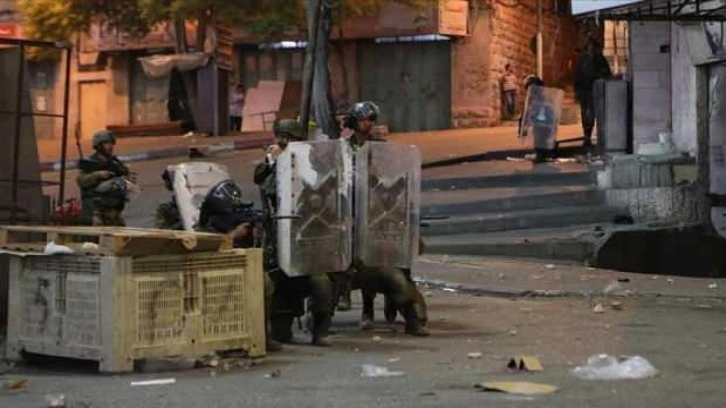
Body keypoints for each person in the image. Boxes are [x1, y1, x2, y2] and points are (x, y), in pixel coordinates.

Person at [339, 101, 429, 336]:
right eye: (362, 119)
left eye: (370, 119)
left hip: (377, 209)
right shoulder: (343, 149)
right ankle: (357, 306)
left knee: (386, 262)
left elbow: (393, 177)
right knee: (351, 263)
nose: (366, 124)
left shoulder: (380, 148)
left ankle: (407, 311)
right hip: (350, 211)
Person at [254, 118, 335, 347]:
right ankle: (271, 331)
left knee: (321, 283)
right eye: (283, 137)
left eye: (292, 139)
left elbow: (324, 192)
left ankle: (320, 330)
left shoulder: (310, 165)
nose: (287, 143)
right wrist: (275, 161)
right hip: (278, 242)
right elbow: (267, 188)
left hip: (305, 238)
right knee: (274, 291)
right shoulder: (268, 165)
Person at [76, 130, 133, 226]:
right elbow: (81, 180)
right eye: (106, 143)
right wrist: (97, 175)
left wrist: (127, 179)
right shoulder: (90, 163)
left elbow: (124, 174)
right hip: (96, 214)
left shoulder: (114, 162)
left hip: (114, 213)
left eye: (111, 143)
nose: (110, 146)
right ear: (98, 146)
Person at [574, 39, 612, 147]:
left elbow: (606, 74)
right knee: (586, 114)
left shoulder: (600, 60)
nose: (592, 49)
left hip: (596, 91)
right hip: (585, 91)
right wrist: (577, 92)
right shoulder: (583, 60)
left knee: (595, 114)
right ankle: (587, 135)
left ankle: (598, 135)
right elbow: (577, 76)